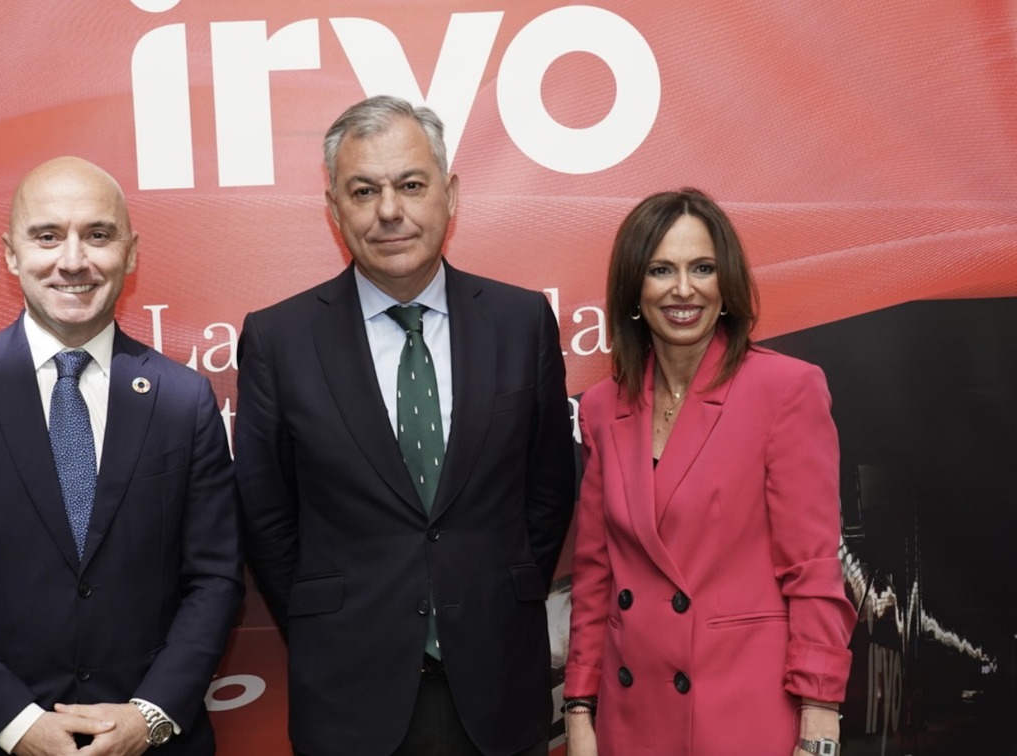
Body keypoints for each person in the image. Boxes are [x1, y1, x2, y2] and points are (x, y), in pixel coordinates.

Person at [234, 95, 576, 756]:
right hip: (348, 694)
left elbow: (547, 492)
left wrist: (483, 590)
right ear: (335, 209)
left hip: (499, 685)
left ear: (448, 194)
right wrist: (335, 614)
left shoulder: (520, 321)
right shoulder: (279, 339)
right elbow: (267, 519)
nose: (390, 210)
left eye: (411, 185)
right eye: (364, 191)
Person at [0, 157, 244, 756]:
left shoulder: (184, 399)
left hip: (146, 742)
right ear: (10, 253)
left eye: (97, 235)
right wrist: (17, 724)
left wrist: (148, 717)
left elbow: (214, 579)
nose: (73, 260)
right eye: (46, 236)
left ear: (130, 253)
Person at [563, 189, 857, 756]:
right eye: (660, 270)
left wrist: (820, 720)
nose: (683, 289)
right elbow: (596, 574)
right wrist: (580, 710)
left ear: (726, 287)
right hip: (632, 719)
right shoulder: (602, 407)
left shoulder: (784, 390)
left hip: (744, 714)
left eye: (702, 268)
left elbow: (814, 570)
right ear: (633, 290)